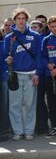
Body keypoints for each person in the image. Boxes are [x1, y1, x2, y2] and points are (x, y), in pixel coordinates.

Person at [4, 8, 40, 140]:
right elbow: (4, 56)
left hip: (31, 74)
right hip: (15, 75)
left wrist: (37, 73)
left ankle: (29, 130)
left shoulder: (35, 36)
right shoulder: (9, 37)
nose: (21, 21)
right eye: (18, 18)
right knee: (15, 105)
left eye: (23, 18)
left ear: (26, 20)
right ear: (15, 20)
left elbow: (39, 56)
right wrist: (7, 60)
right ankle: (18, 131)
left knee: (29, 104)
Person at [30, 19, 49, 134]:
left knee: (40, 101)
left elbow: (42, 58)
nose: (33, 29)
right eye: (31, 27)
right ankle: (36, 126)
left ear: (41, 28)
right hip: (31, 73)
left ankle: (43, 126)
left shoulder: (42, 40)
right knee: (33, 102)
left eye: (35, 27)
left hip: (41, 74)